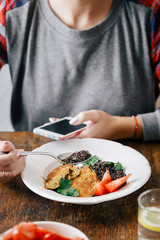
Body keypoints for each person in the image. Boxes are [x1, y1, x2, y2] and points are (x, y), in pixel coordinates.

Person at [0, 0, 160, 182]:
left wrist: (125, 126)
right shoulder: (10, 11)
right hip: (32, 175)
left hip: (137, 177)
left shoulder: (149, 12)